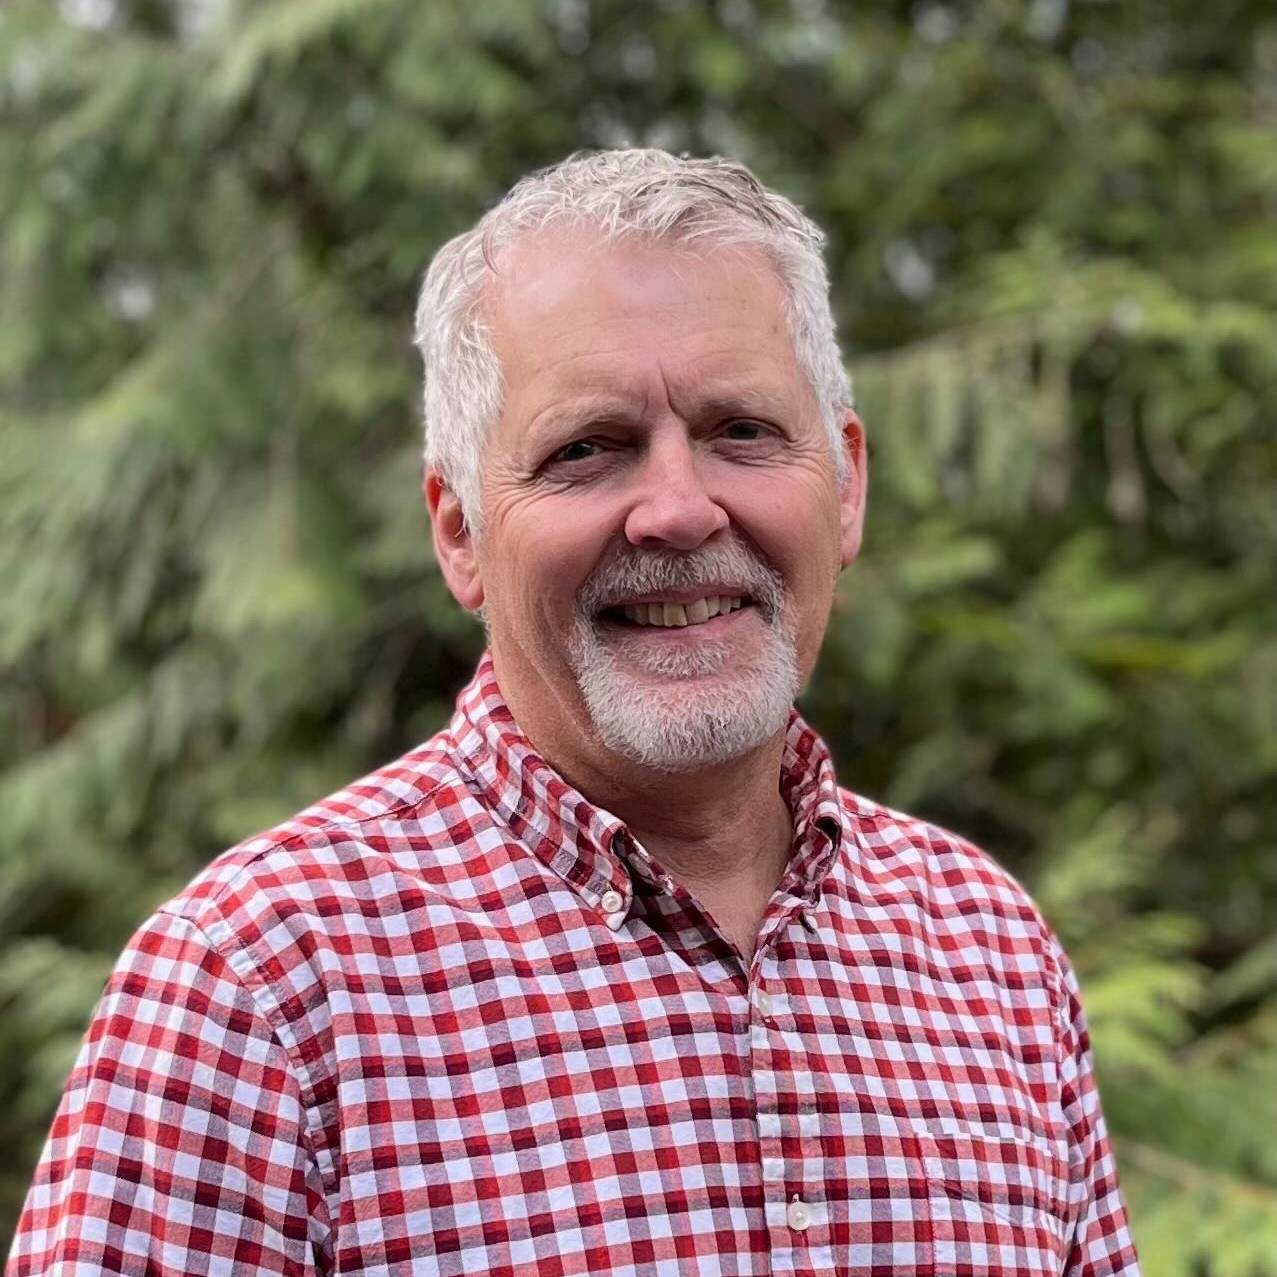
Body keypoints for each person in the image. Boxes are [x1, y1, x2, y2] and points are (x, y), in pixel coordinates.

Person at [8, 150, 1140, 1277]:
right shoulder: (263, 986)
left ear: (844, 486)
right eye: (586, 449)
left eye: (742, 431)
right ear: (459, 530)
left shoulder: (988, 952)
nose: (678, 509)